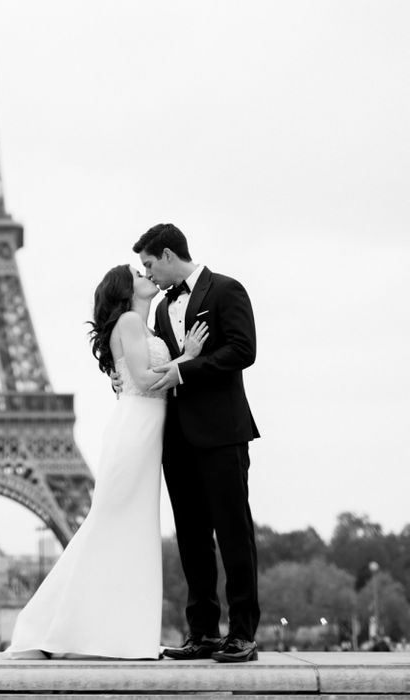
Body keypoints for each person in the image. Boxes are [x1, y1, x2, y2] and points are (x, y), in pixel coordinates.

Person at [3, 264, 208, 659]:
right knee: (110, 525)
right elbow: (146, 381)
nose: (145, 274)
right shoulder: (131, 322)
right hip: (136, 429)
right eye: (136, 272)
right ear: (124, 288)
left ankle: (106, 633)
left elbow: (136, 376)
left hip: (145, 430)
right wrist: (190, 358)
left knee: (126, 529)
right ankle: (56, 628)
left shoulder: (144, 326)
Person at [122, 223, 261, 664]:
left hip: (221, 433)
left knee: (234, 533)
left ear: (166, 255)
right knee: (192, 539)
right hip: (177, 438)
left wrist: (187, 370)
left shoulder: (226, 290)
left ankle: (242, 633)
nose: (146, 273)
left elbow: (243, 350)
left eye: (148, 264)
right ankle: (202, 632)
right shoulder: (163, 308)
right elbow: (158, 364)